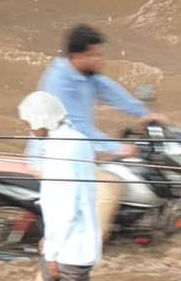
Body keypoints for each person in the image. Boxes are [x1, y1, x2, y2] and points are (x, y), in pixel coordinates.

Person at [8, 91, 142, 281]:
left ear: (42, 121)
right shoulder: (74, 140)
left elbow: (65, 205)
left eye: (29, 122)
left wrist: (54, 250)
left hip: (70, 246)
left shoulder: (62, 150)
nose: (27, 128)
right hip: (65, 239)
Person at [37, 24, 166, 241]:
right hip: (57, 160)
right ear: (77, 56)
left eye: (99, 54)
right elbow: (78, 128)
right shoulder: (61, 83)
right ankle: (88, 247)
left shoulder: (84, 74)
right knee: (111, 188)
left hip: (76, 155)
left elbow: (109, 90)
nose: (100, 59)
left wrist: (144, 114)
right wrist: (117, 147)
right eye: (94, 55)